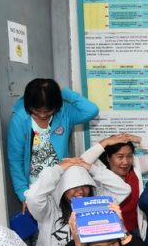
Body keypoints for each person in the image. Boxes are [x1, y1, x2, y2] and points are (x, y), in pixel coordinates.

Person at [7, 78, 99, 208]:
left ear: (56, 106)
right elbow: (15, 160)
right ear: (29, 105)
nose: (43, 115)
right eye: (37, 111)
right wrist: (23, 194)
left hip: (63, 184)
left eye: (48, 111)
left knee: (64, 223)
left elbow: (91, 110)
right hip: (36, 188)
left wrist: (63, 92)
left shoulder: (64, 113)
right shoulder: (20, 119)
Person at [81, 133, 148, 237]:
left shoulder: (135, 167)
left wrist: (139, 140)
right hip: (110, 232)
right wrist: (105, 142)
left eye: (129, 156)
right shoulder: (98, 171)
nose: (125, 162)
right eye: (120, 157)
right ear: (108, 158)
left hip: (136, 230)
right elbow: (82, 162)